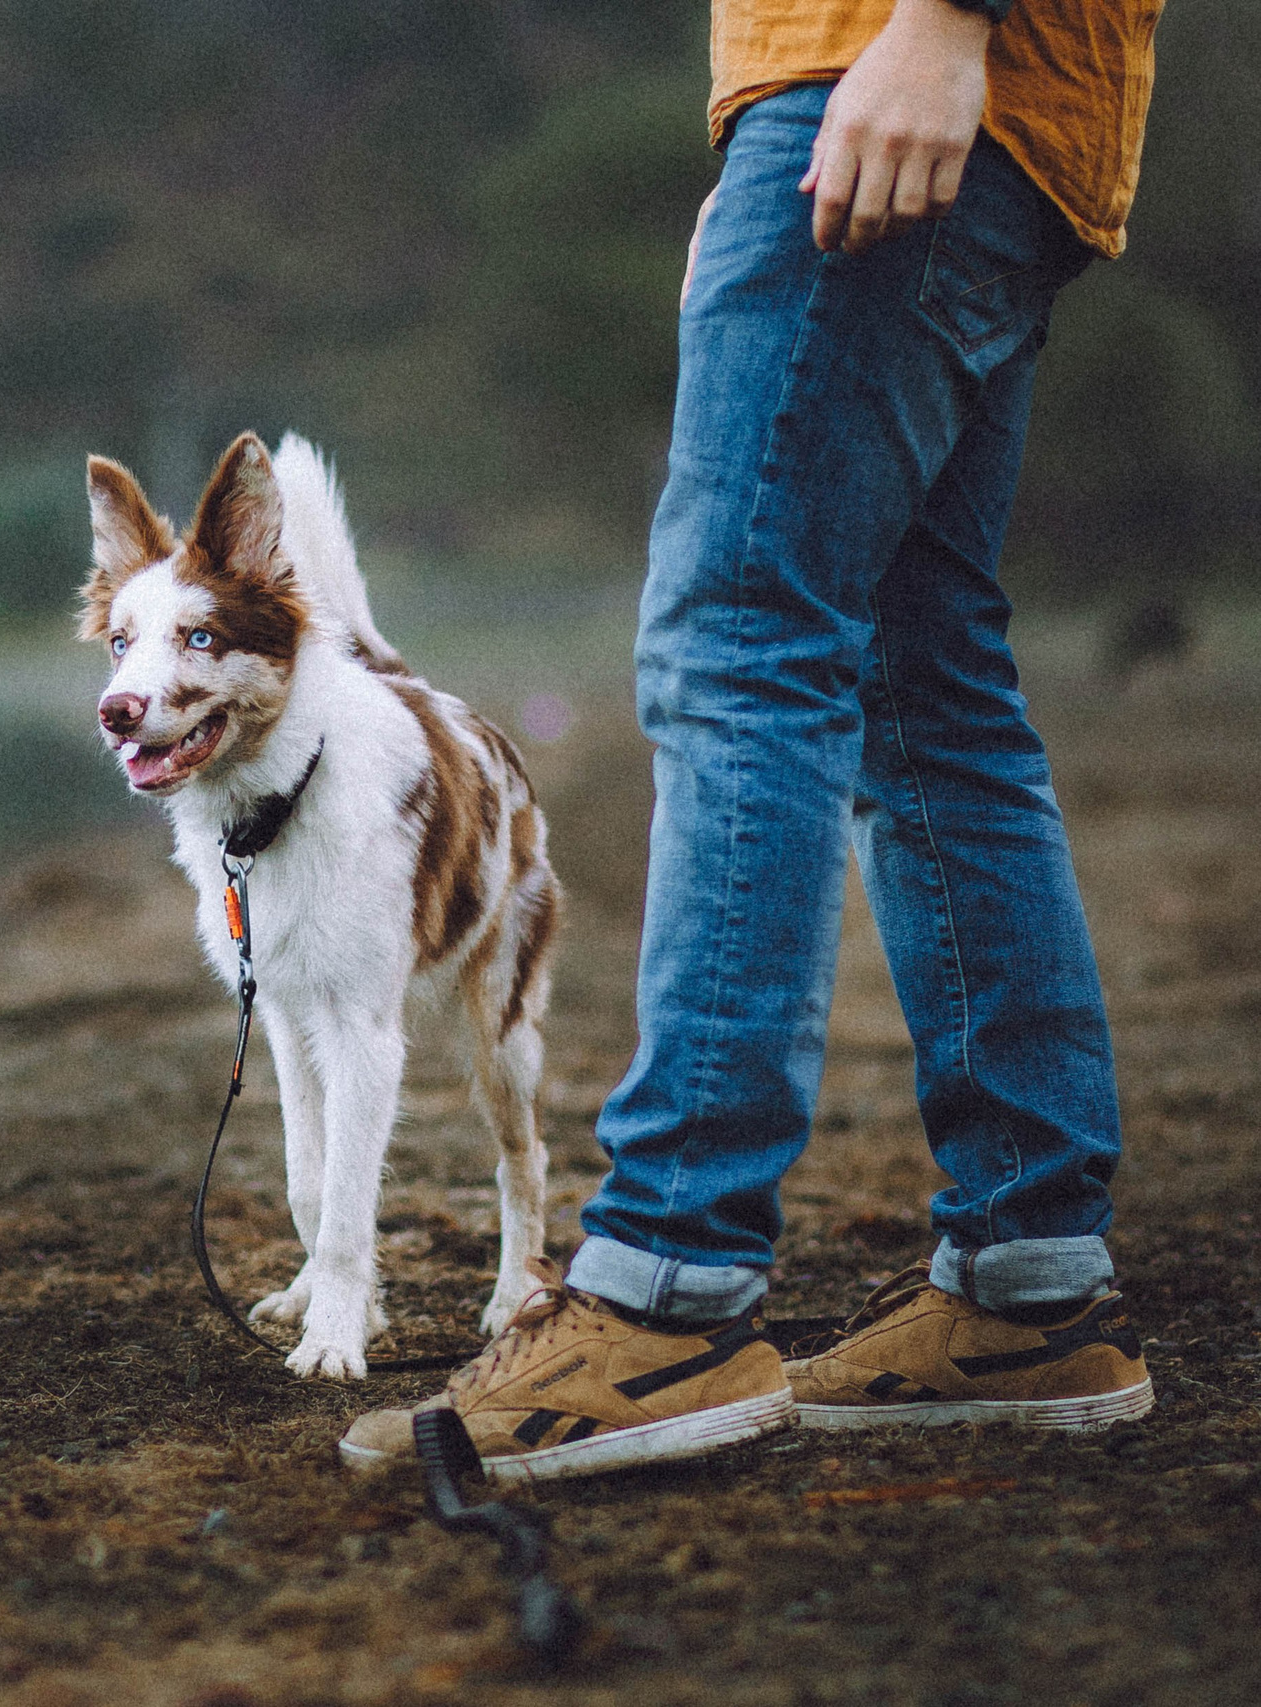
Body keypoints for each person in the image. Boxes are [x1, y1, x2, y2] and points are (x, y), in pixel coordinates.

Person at [340, 0, 1167, 1480]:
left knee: (742, 643)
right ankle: (1030, 1290)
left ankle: (671, 1291)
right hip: (971, 110)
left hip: (895, 68)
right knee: (929, 685)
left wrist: (934, 25)